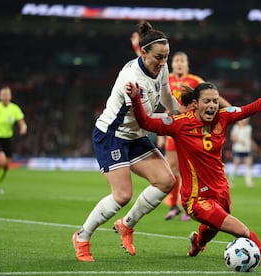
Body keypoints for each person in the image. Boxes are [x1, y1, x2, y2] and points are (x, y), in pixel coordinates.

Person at [126, 67, 261, 266]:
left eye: (215, 100)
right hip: (196, 198)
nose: (212, 105)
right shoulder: (179, 124)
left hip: (221, 192)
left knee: (211, 228)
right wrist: (136, 98)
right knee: (241, 231)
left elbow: (255, 106)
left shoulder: (224, 117)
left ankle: (197, 243)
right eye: (207, 101)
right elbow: (146, 122)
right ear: (195, 104)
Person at [72, 21, 180, 262]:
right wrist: (176, 124)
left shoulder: (161, 69)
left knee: (166, 181)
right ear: (143, 52)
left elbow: (168, 100)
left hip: (134, 135)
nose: (163, 63)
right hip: (112, 136)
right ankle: (82, 237)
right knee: (122, 195)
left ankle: (126, 225)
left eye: (166, 57)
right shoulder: (132, 79)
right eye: (158, 57)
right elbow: (146, 121)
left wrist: (185, 115)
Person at [133, 34, 232, 221]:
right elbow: (148, 72)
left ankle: (193, 202)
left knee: (192, 168)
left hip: (192, 131)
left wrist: (229, 108)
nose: (179, 64)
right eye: (176, 61)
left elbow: (213, 97)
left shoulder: (195, 81)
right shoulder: (166, 78)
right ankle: (174, 205)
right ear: (172, 64)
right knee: (171, 168)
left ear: (187, 64)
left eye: (182, 61)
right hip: (174, 129)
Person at [228, 118, 258, 188]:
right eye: (245, 119)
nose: (246, 120)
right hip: (238, 149)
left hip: (247, 149)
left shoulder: (249, 128)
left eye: (247, 119)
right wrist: (240, 140)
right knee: (236, 164)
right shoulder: (236, 127)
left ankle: (248, 182)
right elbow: (232, 137)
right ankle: (230, 181)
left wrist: (253, 144)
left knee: (249, 164)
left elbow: (249, 138)